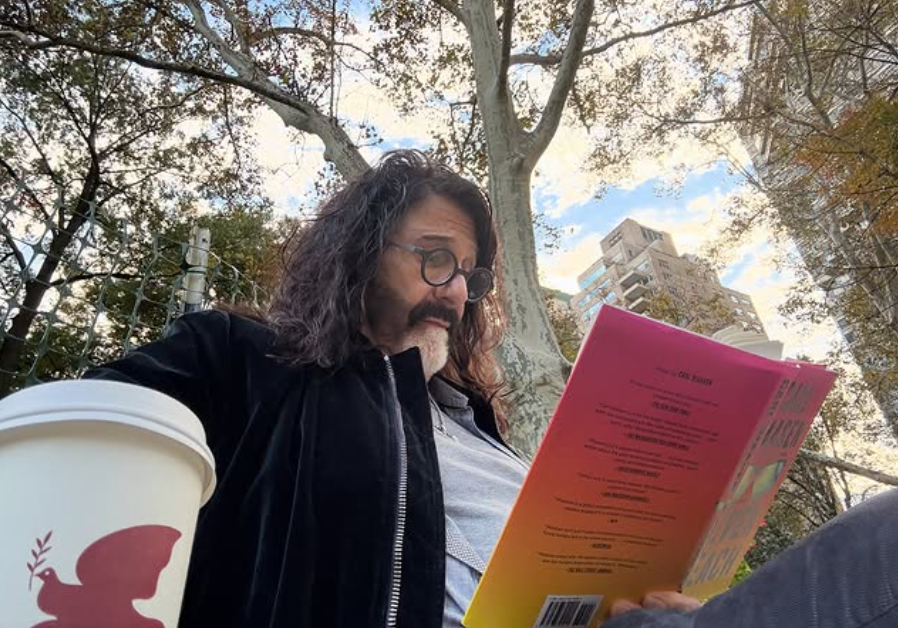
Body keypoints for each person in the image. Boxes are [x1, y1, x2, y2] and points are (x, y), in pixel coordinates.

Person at [84, 149, 898, 628]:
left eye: (469, 274)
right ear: (360, 254)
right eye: (433, 257)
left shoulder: (471, 419)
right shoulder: (247, 358)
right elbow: (80, 436)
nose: (454, 290)